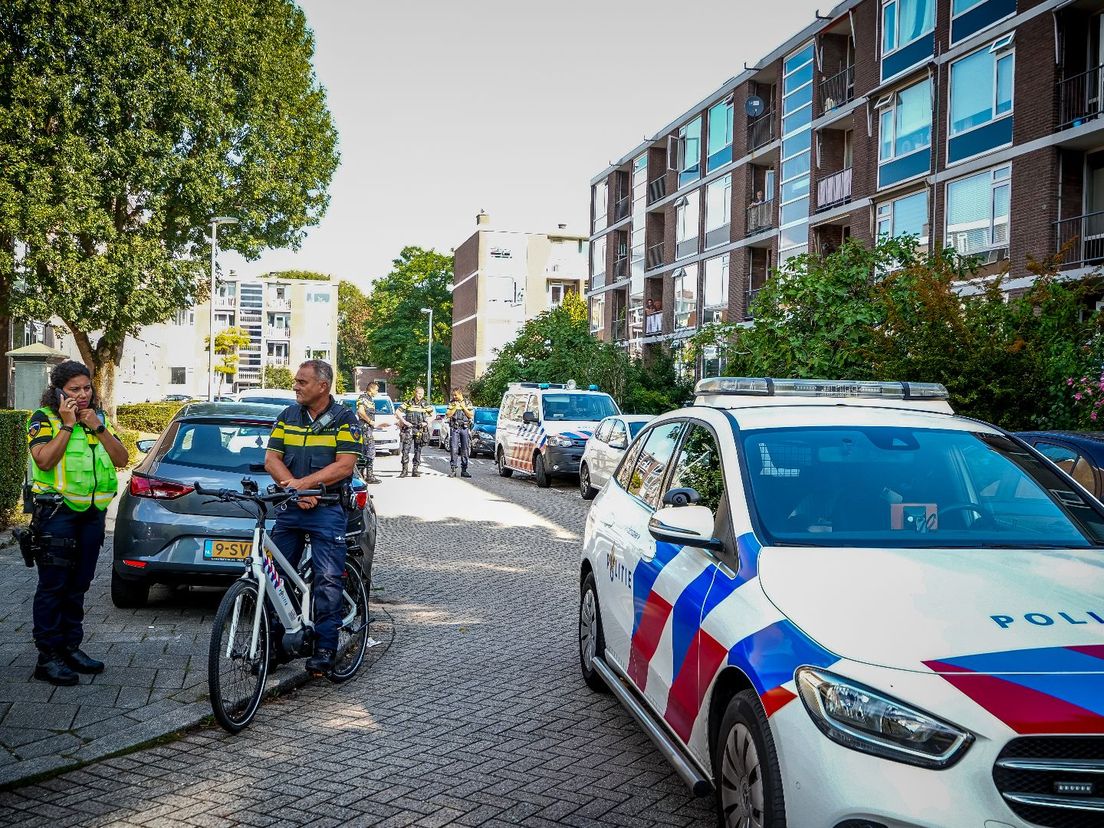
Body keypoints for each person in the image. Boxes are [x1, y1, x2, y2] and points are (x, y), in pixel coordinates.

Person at [24, 361, 129, 685]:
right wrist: (68, 425)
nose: (82, 395)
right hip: (57, 515)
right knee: (53, 587)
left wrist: (96, 425)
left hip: (91, 516)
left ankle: (70, 647)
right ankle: (48, 657)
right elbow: (43, 459)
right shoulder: (44, 419)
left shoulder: (96, 419)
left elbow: (121, 459)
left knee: (79, 585)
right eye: (74, 389)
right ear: (58, 391)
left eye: (87, 388)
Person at [264, 359, 362, 676]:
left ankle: (324, 648)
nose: (296, 386)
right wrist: (295, 490)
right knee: (275, 576)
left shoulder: (345, 419)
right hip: (292, 508)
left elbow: (345, 466)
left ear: (323, 386)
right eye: (296, 381)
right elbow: (271, 459)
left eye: (302, 382)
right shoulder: (288, 416)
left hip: (328, 509)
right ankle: (277, 646)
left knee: (328, 579)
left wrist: (305, 485)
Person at [396, 386, 433, 478]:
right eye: (418, 393)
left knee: (418, 450)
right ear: (414, 393)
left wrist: (426, 422)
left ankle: (415, 470)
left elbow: (433, 415)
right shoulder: (408, 403)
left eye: (422, 394)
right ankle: (404, 470)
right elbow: (397, 412)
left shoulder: (425, 404)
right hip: (409, 429)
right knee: (405, 450)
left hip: (420, 429)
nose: (420, 395)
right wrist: (404, 422)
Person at [355, 381, 382, 484]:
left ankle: (362, 475)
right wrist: (370, 421)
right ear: (371, 389)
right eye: (376, 390)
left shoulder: (370, 400)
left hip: (368, 429)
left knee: (365, 453)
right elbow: (360, 412)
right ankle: (368, 476)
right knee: (369, 452)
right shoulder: (363, 398)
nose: (377, 392)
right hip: (364, 428)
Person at [446, 387, 474, 478]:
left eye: (455, 395)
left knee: (465, 449)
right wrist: (455, 407)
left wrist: (463, 407)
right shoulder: (452, 402)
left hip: (464, 428)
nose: (454, 397)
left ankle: (464, 470)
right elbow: (448, 414)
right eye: (453, 395)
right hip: (455, 428)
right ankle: (453, 469)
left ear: (460, 394)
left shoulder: (467, 402)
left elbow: (470, 415)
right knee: (454, 449)